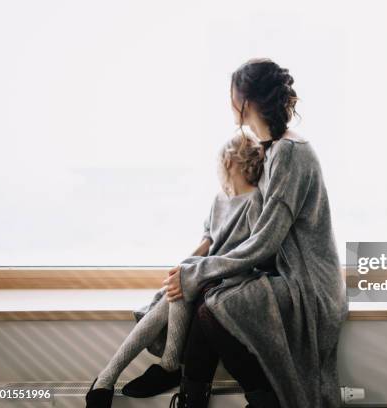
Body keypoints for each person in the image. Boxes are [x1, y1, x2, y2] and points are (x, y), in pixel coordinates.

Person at [164, 58, 348, 408]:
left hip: (308, 285)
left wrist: (200, 269)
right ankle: (192, 398)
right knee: (208, 297)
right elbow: (248, 225)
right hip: (284, 275)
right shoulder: (270, 149)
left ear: (245, 100)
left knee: (214, 306)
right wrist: (201, 256)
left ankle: (263, 402)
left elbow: (264, 242)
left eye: (231, 93)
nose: (228, 101)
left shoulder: (292, 154)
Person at [85, 133, 266, 408]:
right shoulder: (220, 199)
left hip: (234, 278)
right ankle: (111, 378)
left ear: (230, 162)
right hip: (206, 273)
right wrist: (182, 267)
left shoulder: (257, 202)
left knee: (182, 280)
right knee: (176, 282)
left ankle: (123, 375)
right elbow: (207, 241)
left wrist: (191, 273)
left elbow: (251, 255)